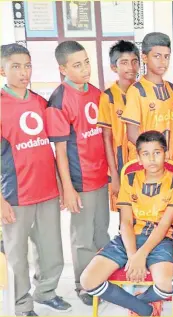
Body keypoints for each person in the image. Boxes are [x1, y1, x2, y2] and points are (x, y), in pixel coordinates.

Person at [80, 131, 173, 317]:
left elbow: (164, 225)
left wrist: (141, 255)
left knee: (168, 285)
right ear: (138, 157)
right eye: (146, 154)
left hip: (161, 240)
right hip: (128, 239)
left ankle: (140, 301)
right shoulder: (128, 179)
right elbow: (126, 222)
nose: (152, 159)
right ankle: (145, 309)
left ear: (166, 154)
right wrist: (132, 255)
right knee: (88, 281)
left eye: (157, 153)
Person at [1, 43, 71, 315]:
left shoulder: (41, 103)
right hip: (16, 195)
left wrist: (63, 186)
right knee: (17, 257)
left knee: (51, 251)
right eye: (15, 66)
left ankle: (46, 291)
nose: (23, 72)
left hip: (48, 192)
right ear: (2, 69)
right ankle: (21, 304)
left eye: (27, 65)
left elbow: (53, 149)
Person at [46, 40, 110, 305]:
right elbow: (60, 151)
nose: (85, 69)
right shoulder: (59, 100)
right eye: (77, 65)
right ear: (63, 69)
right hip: (79, 180)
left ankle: (102, 277)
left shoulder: (96, 93)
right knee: (82, 238)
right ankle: (83, 285)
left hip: (100, 177)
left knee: (101, 232)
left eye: (86, 62)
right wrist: (67, 189)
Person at [98, 40, 140, 212]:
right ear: (114, 67)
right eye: (124, 62)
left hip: (144, 161)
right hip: (121, 164)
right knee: (126, 213)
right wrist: (114, 174)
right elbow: (106, 138)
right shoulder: (108, 97)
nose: (130, 67)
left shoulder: (144, 91)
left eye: (134, 61)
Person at [122, 32, 173, 161]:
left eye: (166, 56)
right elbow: (132, 134)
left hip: (169, 163)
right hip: (145, 165)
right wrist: (155, 155)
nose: (163, 61)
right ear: (145, 58)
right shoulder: (136, 90)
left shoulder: (172, 88)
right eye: (157, 56)